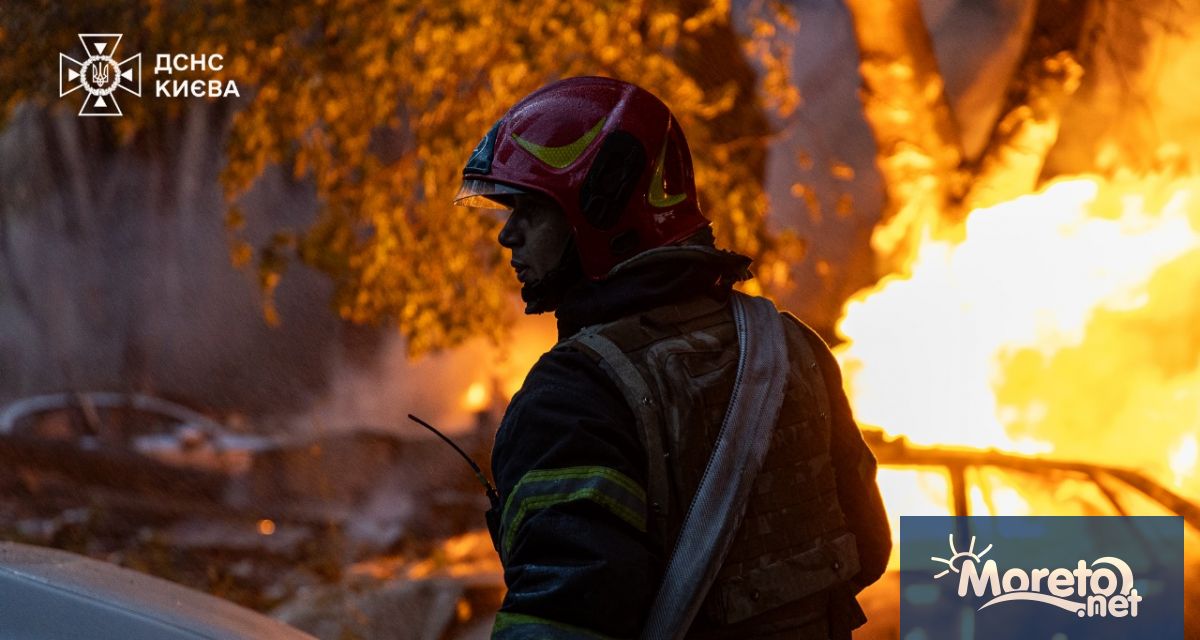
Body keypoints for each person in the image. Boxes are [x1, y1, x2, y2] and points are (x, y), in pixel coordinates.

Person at [454, 76, 890, 639]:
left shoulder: (573, 397)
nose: (506, 236)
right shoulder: (788, 346)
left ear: (599, 207)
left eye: (530, 210)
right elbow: (868, 548)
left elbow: (558, 624)